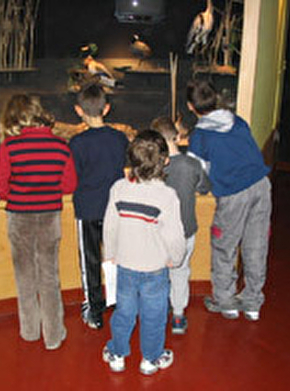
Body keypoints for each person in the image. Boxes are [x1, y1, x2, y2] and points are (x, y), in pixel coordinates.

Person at [0, 94, 77, 349]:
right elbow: (70, 184)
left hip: (19, 218)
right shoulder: (61, 146)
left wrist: (16, 193)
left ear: (14, 118)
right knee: (50, 276)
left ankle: (29, 330)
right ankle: (53, 335)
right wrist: (47, 191)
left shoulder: (10, 146)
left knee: (24, 276)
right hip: (50, 217)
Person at [186, 80, 272, 321]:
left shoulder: (200, 136)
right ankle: (253, 302)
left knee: (224, 247)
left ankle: (225, 301)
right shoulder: (238, 121)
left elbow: (199, 174)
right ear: (216, 99)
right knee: (256, 246)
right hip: (261, 186)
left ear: (191, 107)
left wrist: (202, 191)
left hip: (234, 194)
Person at [102, 130, 186, 375]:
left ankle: (117, 354)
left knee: (124, 312)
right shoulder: (167, 196)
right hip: (155, 269)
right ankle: (150, 359)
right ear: (165, 160)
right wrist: (176, 258)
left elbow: (110, 225)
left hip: (125, 265)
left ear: (131, 159)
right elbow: (174, 234)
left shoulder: (118, 188)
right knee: (154, 316)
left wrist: (110, 254)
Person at [69, 84, 129, 329]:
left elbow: (73, 177)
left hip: (87, 209)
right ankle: (120, 304)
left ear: (78, 111)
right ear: (106, 108)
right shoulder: (119, 138)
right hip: (116, 209)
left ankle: (94, 310)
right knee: (117, 257)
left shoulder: (76, 143)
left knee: (90, 261)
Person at [151, 117, 211, 334]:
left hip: (159, 233)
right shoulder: (192, 165)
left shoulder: (153, 168)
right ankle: (178, 317)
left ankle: (157, 316)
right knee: (181, 271)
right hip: (185, 230)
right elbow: (204, 188)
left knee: (158, 274)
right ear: (177, 136)